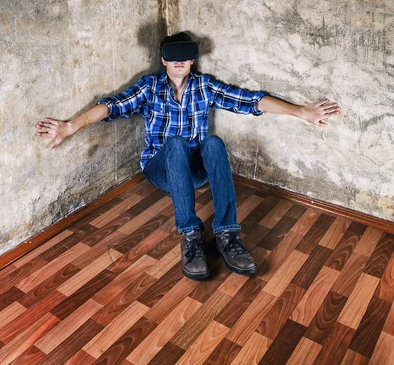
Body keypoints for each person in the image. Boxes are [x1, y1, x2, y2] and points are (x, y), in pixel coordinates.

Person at [36, 32, 341, 281]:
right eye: (173, 57)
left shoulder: (204, 87)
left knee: (214, 143)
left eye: (186, 57)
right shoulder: (149, 87)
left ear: (193, 59)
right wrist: (70, 126)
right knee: (177, 144)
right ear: (164, 60)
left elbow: (251, 100)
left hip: (194, 170)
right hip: (161, 167)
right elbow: (112, 106)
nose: (179, 62)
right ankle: (191, 236)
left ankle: (227, 234)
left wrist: (301, 112)